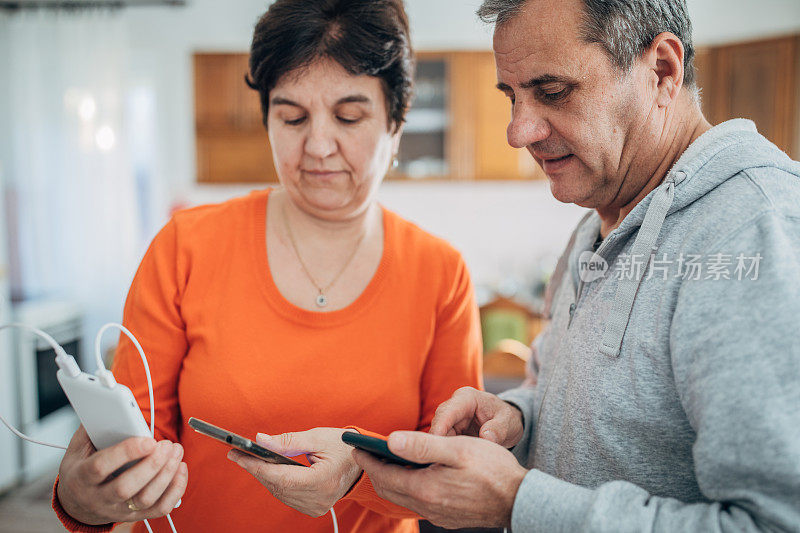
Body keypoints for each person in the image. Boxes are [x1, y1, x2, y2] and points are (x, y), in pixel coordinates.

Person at [354, 0, 800, 531]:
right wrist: (518, 416)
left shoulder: (753, 232)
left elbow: (775, 521)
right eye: (512, 97)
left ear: (661, 71)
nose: (518, 132)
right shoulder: (596, 224)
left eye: (552, 91)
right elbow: (569, 394)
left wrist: (518, 502)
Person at [51, 1, 482, 532]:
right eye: (292, 117)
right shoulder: (185, 247)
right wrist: (85, 501)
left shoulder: (440, 273)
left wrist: (358, 478)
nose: (319, 145)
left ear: (395, 121)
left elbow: (454, 481)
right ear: (266, 119)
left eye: (349, 116)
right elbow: (134, 447)